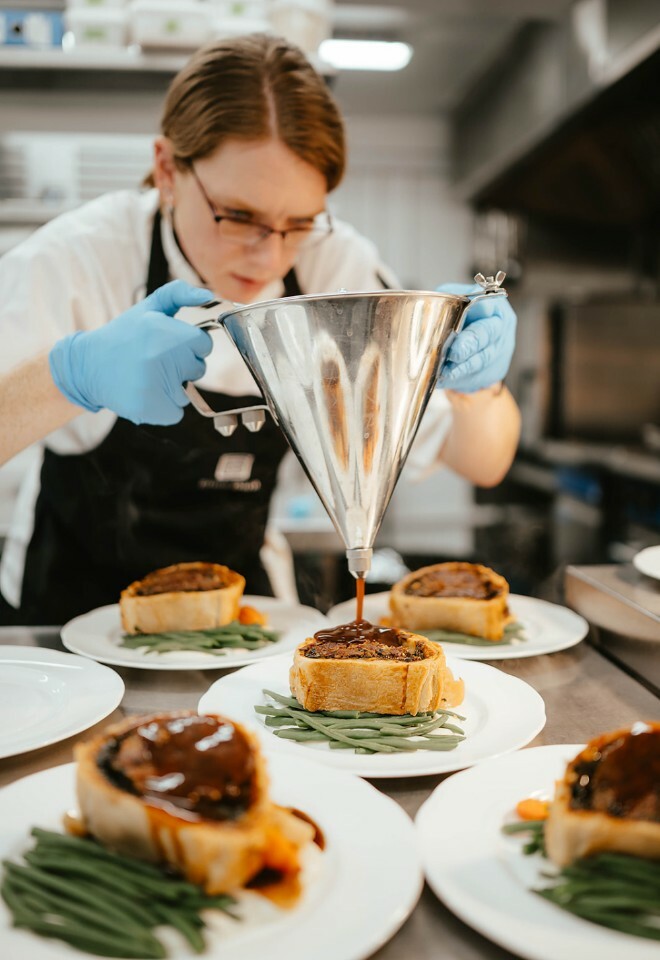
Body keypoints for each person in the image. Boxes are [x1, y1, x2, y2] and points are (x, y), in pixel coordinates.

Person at [0, 33, 520, 626]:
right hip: (69, 621)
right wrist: (73, 376)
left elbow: (484, 461)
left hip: (243, 625)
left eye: (298, 223)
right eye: (239, 216)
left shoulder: (335, 268)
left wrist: (474, 379)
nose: (268, 255)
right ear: (167, 169)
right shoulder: (78, 260)